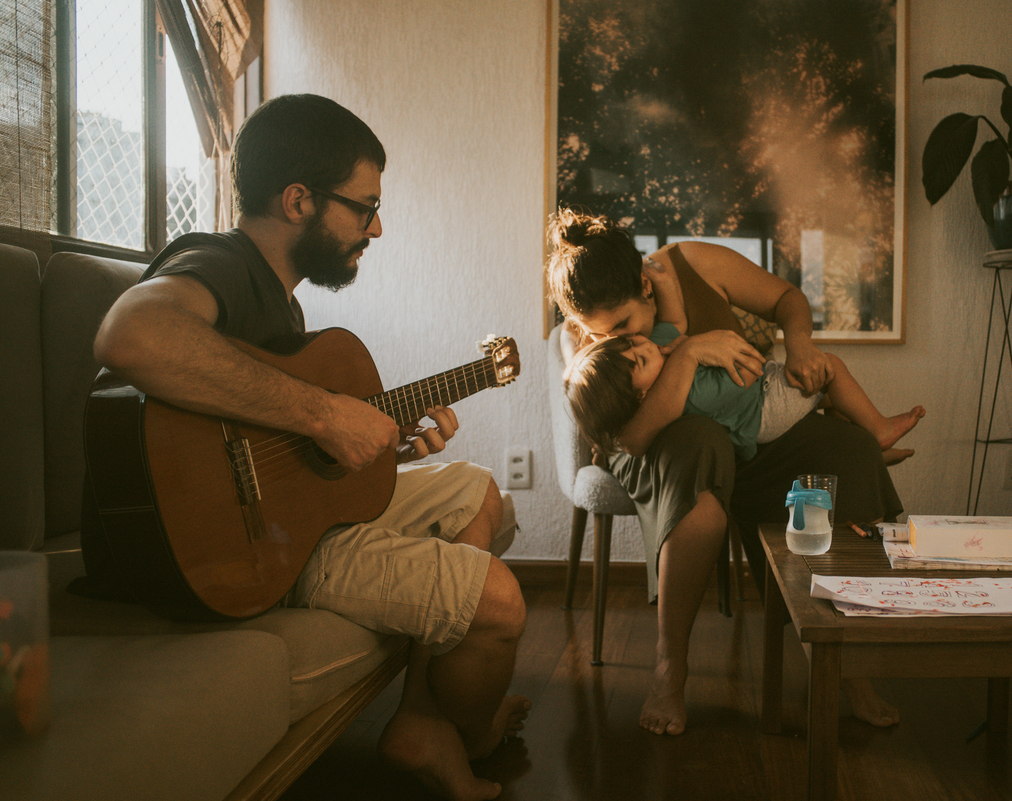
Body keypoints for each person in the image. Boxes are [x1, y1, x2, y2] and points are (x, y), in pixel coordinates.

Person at [88, 94, 527, 801]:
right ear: (298, 200)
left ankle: (422, 716)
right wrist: (325, 415)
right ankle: (473, 732)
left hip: (288, 517)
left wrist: (376, 449)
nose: (376, 227)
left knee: (477, 490)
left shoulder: (280, 303)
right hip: (247, 547)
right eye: (365, 207)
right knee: (501, 601)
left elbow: (280, 444)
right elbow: (130, 335)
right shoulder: (219, 262)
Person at [545, 208, 905, 735]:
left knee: (844, 448)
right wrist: (689, 352)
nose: (615, 341)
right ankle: (670, 666)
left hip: (744, 422)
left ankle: (843, 659)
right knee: (702, 444)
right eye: (601, 334)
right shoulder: (585, 334)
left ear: (645, 285)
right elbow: (630, 438)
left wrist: (800, 346)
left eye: (622, 326)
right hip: (662, 446)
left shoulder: (689, 263)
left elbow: (787, 299)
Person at [563, 255, 925, 461]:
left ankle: (867, 445)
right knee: (829, 369)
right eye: (639, 358)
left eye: (630, 339)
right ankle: (877, 429)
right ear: (641, 395)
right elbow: (745, 376)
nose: (641, 345)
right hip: (763, 411)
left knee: (830, 398)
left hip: (759, 391)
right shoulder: (688, 392)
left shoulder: (651, 349)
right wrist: (720, 349)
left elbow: (674, 323)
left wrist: (667, 284)